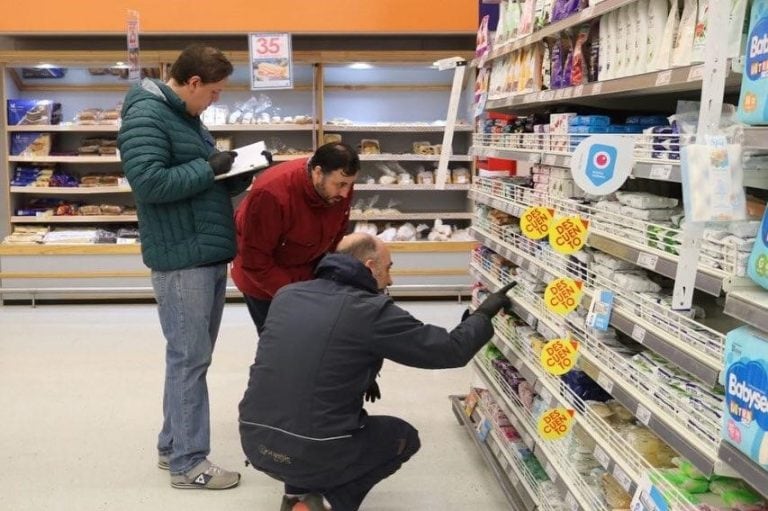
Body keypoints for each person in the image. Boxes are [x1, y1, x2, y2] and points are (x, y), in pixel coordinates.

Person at [238, 233, 515, 511]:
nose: (391, 280)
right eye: (389, 268)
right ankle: (324, 503)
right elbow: (449, 350)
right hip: (314, 448)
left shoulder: (288, 294)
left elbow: (309, 356)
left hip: (256, 440)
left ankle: (297, 493)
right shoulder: (369, 309)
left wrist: (363, 370)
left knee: (305, 428)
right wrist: (483, 315)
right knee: (403, 438)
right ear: (370, 266)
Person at [118, 44, 256, 490]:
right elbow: (149, 182)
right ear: (193, 83)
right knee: (190, 361)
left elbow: (195, 177)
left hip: (203, 249)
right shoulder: (147, 115)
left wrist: (231, 174)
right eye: (214, 92)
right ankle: (188, 464)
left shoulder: (184, 118)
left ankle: (171, 444)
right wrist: (205, 167)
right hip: (183, 257)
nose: (216, 100)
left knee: (186, 358)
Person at [231, 142, 360, 335]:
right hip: (264, 282)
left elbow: (336, 233)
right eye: (340, 184)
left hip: (306, 271)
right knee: (281, 344)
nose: (345, 193)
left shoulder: (339, 190)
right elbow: (255, 261)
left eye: (350, 185)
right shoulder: (271, 195)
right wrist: (296, 296)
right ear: (317, 172)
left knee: (312, 339)